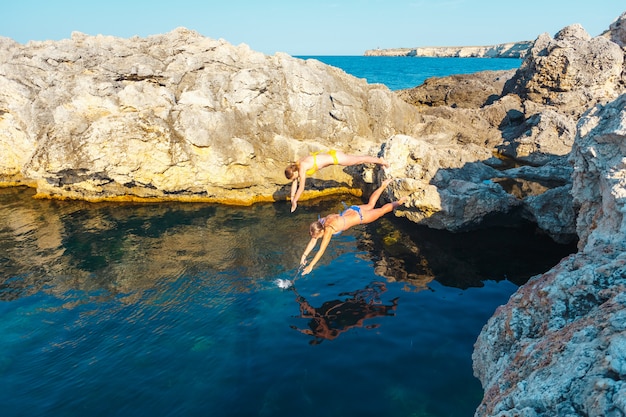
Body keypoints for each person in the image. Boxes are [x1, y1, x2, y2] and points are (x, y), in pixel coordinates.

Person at [300, 178, 407, 275]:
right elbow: (313, 240)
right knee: (370, 205)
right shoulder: (322, 221)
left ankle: (399, 202)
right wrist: (304, 256)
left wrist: (311, 265)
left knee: (382, 211)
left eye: (317, 236)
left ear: (321, 232)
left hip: (361, 217)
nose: (315, 238)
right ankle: (383, 185)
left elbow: (321, 250)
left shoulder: (328, 229)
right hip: (353, 209)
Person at [284, 150, 389, 212]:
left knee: (359, 160)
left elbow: (301, 187)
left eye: (294, 177)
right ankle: (379, 161)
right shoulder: (297, 164)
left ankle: (381, 161)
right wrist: (293, 198)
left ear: (294, 172)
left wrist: (295, 202)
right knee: (358, 159)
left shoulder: (302, 167)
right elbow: (295, 183)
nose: (295, 179)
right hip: (334, 155)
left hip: (337, 158)